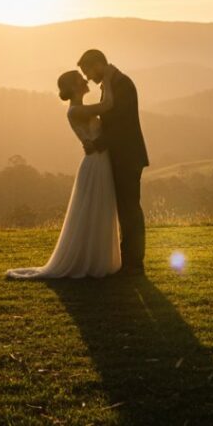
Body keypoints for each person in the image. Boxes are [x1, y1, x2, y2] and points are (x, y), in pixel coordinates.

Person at [6, 68, 121, 279]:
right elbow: (107, 106)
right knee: (93, 210)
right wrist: (107, 81)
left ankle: (97, 259)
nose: (85, 80)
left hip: (99, 160)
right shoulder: (75, 110)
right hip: (95, 163)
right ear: (73, 87)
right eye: (80, 79)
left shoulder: (80, 108)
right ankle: (89, 261)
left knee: (99, 209)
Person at [78, 49, 149, 276]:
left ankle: (134, 263)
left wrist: (97, 144)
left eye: (87, 71)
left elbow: (120, 126)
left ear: (98, 64)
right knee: (125, 209)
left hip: (127, 157)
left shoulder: (123, 85)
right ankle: (127, 261)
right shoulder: (112, 84)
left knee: (129, 209)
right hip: (119, 156)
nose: (88, 77)